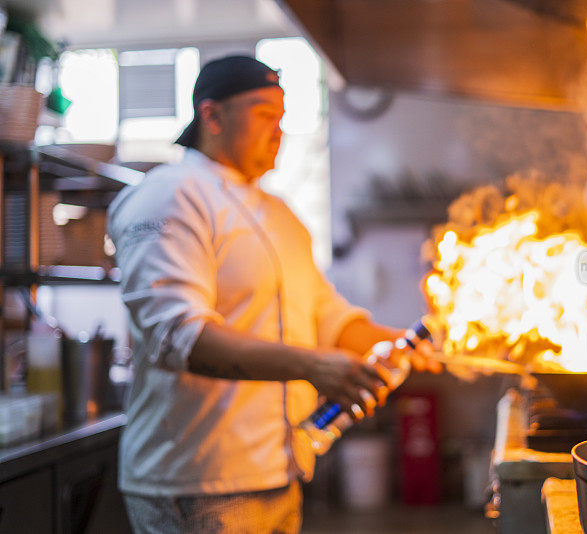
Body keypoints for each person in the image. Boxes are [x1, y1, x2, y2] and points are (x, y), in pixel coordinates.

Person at [107, 55, 440, 533]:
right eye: (264, 114)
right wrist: (313, 365)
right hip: (198, 483)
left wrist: (399, 342)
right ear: (213, 116)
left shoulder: (279, 215)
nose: (278, 130)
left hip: (279, 472)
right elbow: (177, 335)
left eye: (282, 117)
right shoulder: (169, 196)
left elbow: (327, 315)